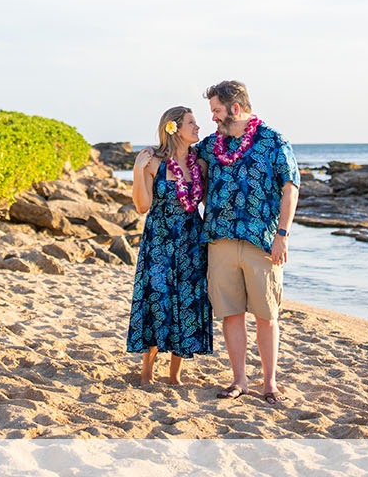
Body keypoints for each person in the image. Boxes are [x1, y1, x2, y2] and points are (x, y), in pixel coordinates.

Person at [195, 79, 299, 405]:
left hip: (262, 243)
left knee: (267, 315)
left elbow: (290, 187)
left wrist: (282, 235)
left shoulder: (273, 142)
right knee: (231, 313)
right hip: (220, 241)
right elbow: (180, 158)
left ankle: (270, 383)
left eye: (216, 110)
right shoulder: (212, 146)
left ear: (235, 108)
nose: (212, 117)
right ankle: (239, 379)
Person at [126, 105, 214, 384]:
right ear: (173, 127)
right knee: (157, 300)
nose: (198, 127)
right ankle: (146, 373)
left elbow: (207, 202)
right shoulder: (152, 161)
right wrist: (139, 172)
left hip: (191, 241)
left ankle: (175, 375)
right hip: (160, 241)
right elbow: (142, 206)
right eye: (192, 123)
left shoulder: (199, 165)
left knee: (186, 301)